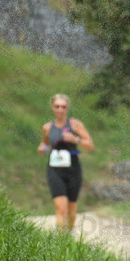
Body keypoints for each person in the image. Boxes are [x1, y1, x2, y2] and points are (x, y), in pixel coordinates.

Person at [38, 94, 94, 233]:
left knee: (71, 210)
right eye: (57, 106)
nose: (60, 109)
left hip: (73, 169)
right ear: (52, 108)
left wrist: (76, 140)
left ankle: (69, 236)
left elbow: (90, 146)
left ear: (67, 108)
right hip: (55, 169)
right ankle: (61, 243)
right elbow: (44, 145)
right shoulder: (47, 128)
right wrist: (41, 148)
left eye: (63, 106)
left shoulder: (75, 125)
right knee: (61, 208)